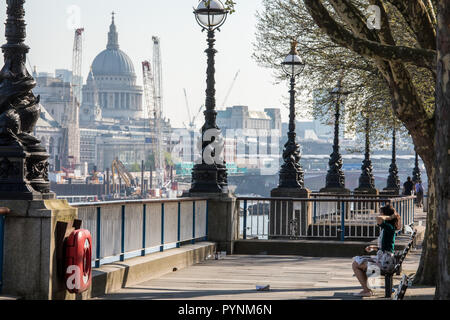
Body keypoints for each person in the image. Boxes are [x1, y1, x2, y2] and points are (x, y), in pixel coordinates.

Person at [351, 204, 401, 297]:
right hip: (385, 259)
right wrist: (374, 247)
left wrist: (390, 217)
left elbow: (378, 218)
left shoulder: (388, 227)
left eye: (381, 212)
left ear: (385, 215)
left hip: (385, 263)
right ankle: (367, 289)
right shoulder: (388, 227)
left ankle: (367, 290)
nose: (379, 214)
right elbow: (387, 247)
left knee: (355, 264)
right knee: (359, 261)